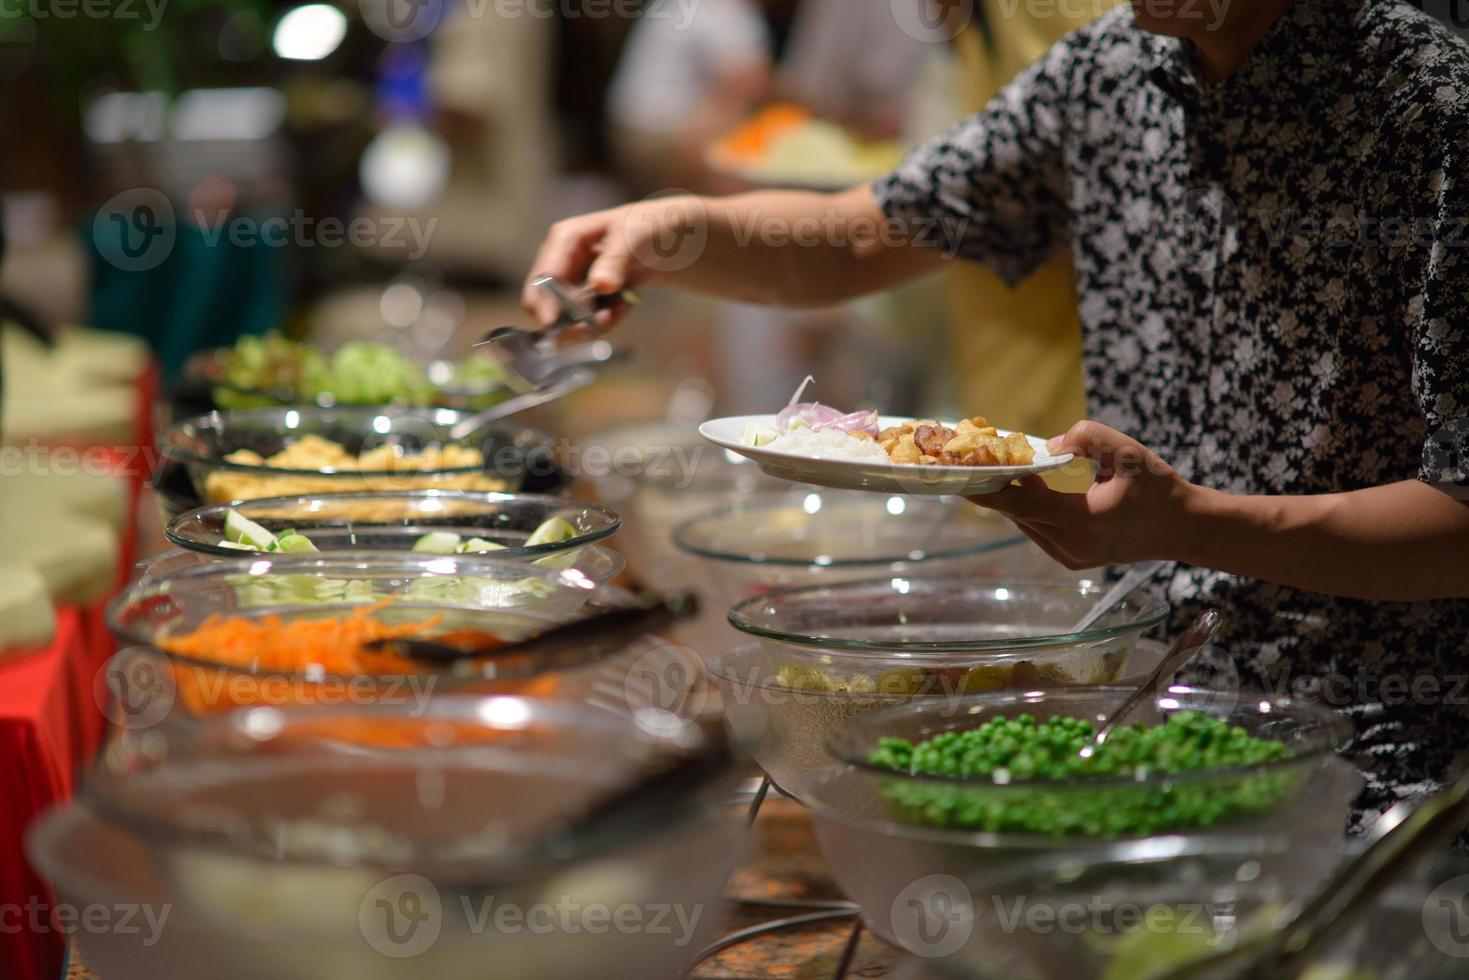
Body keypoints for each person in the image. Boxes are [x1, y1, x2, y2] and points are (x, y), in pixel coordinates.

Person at [521, 0, 1469, 829]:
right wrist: (670, 232)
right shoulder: (1107, 73)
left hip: (1375, 751)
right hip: (1142, 695)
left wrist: (1197, 527)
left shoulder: (1431, 109)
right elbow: (861, 237)